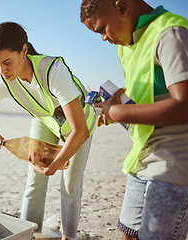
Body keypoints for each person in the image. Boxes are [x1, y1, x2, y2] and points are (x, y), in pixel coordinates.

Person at [0, 22, 96, 240]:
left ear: (24, 50)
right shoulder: (4, 80)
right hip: (45, 121)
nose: (3, 70)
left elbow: (80, 131)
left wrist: (55, 165)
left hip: (79, 126)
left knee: (70, 186)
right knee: (34, 180)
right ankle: (27, 234)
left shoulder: (53, 71)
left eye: (7, 62)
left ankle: (69, 236)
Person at [80, 0, 188, 239]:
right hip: (143, 155)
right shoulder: (126, 46)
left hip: (175, 163)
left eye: (101, 29)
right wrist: (116, 109)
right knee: (127, 233)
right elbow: (152, 98)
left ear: (121, 7)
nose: (103, 39)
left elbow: (184, 105)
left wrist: (117, 112)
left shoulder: (170, 33)